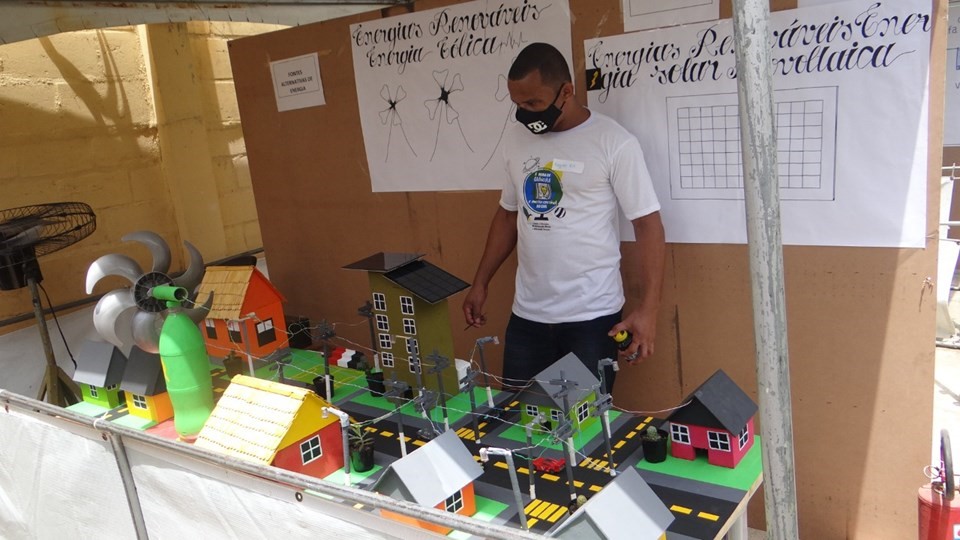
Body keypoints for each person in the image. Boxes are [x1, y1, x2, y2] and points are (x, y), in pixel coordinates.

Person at [461, 42, 665, 391]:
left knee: (583, 421)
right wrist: (481, 282)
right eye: (517, 104)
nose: (524, 114)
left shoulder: (613, 142)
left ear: (566, 91)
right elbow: (508, 215)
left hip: (591, 319)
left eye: (533, 103)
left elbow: (648, 225)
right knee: (518, 418)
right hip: (528, 317)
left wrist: (649, 310)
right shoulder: (516, 140)